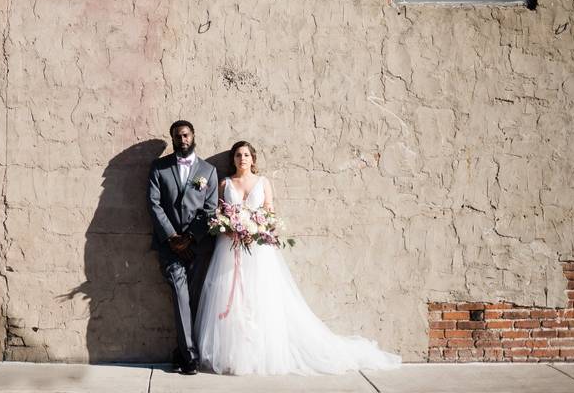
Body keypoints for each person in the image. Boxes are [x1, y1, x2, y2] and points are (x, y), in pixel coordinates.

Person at [194, 141, 401, 375]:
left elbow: (270, 213)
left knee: (260, 300)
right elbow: (220, 213)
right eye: (238, 155)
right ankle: (233, 355)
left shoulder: (263, 182)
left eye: (246, 155)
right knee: (232, 300)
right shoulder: (225, 183)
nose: (242, 158)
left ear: (253, 159)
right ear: (233, 159)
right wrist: (230, 228)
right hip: (229, 249)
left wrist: (257, 230)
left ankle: (260, 353)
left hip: (258, 250)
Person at [147, 120, 219, 375]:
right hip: (169, 247)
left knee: (193, 300)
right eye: (178, 137)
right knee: (180, 295)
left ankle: (179, 351)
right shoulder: (159, 167)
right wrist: (173, 238)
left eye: (186, 135)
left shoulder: (208, 171)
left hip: (197, 247)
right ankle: (189, 356)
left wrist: (190, 238)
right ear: (173, 139)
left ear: (193, 136)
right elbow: (154, 205)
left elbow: (210, 210)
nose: (182, 140)